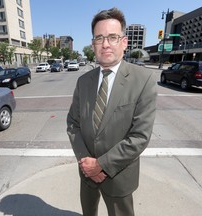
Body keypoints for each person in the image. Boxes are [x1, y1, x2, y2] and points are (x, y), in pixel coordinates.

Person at [67, 7, 157, 216]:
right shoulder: (83, 81)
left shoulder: (143, 80)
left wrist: (102, 165)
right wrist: (86, 162)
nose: (105, 44)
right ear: (93, 45)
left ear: (124, 42)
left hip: (119, 176)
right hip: (86, 172)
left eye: (112, 37)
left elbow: (140, 136)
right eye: (99, 38)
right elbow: (73, 123)